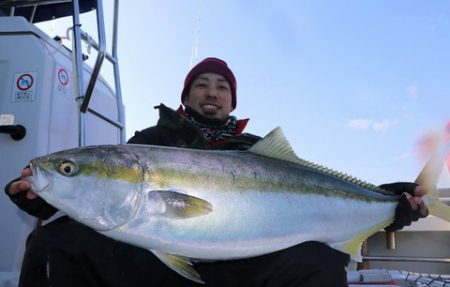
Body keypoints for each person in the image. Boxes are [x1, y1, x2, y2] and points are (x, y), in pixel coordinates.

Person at [5, 57, 428, 287]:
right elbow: (101, 199)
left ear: (232, 101)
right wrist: (45, 196)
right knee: (55, 241)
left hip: (247, 264)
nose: (212, 92)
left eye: (222, 86)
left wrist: (392, 201)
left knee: (319, 262)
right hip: (154, 264)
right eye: (202, 85)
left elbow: (324, 190)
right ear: (186, 95)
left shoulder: (255, 150)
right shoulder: (148, 141)